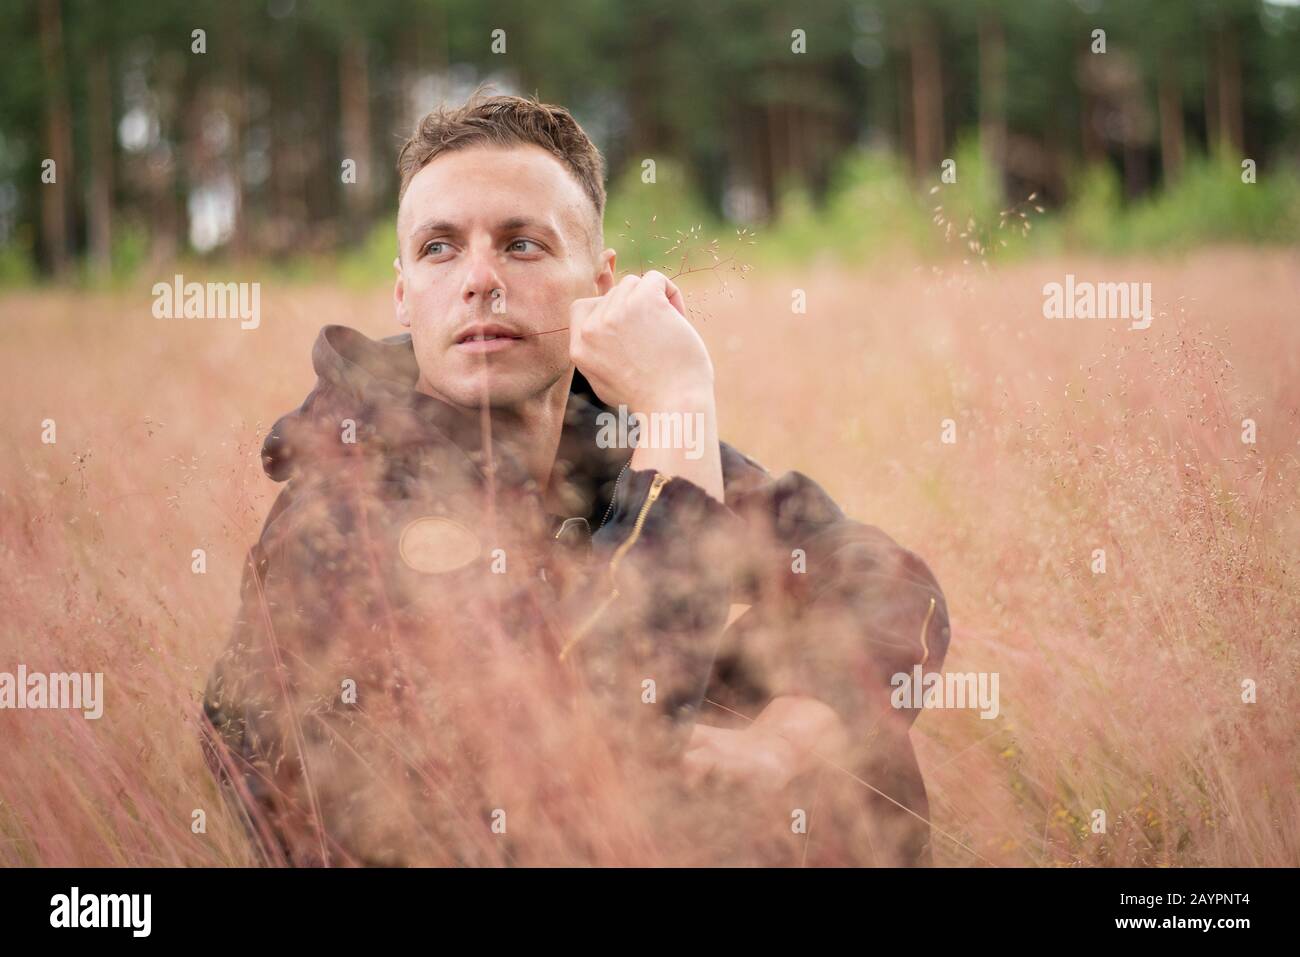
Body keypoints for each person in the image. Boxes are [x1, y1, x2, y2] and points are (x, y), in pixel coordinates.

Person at [199, 92, 950, 867]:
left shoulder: (609, 435)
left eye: (522, 245)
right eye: (440, 248)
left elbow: (892, 585)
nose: (480, 279)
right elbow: (576, 750)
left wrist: (787, 736)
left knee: (846, 740)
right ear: (403, 293)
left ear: (599, 281)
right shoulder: (340, 502)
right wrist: (678, 404)